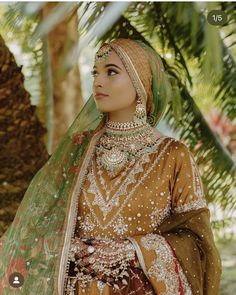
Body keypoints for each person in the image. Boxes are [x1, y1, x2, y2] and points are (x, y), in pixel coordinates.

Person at [0, 38, 221, 295]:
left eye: (111, 72)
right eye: (95, 72)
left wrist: (131, 250)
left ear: (140, 81)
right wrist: (68, 247)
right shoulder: (76, 149)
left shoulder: (173, 155)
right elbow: (37, 223)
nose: (98, 81)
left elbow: (197, 241)